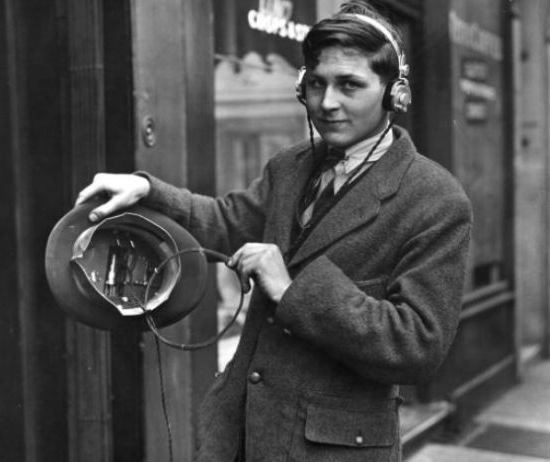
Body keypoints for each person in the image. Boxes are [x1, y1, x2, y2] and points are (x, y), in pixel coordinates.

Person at [75, 1, 472, 461]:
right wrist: (147, 190)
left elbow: (417, 346)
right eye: (316, 83)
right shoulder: (291, 166)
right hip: (240, 436)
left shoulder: (434, 199)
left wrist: (291, 289)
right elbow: (225, 221)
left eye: (349, 85)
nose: (327, 103)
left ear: (394, 95)